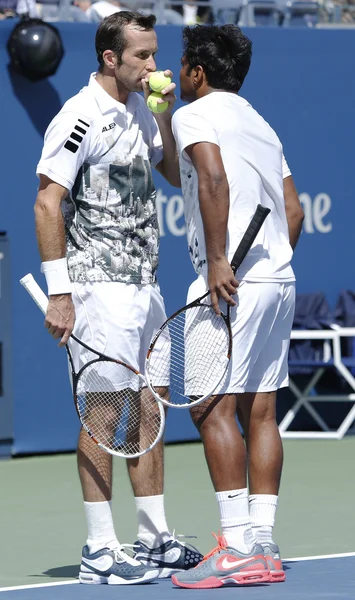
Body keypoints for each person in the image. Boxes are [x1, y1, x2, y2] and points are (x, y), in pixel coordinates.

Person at [34, 11, 202, 586]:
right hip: (95, 288)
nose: (155, 66)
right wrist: (61, 293)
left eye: (155, 55)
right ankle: (99, 548)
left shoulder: (143, 110)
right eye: (143, 57)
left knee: (149, 411)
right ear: (111, 58)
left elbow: (175, 175)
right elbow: (47, 203)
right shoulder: (78, 117)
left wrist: (166, 113)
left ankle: (154, 538)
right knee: (103, 414)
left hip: (144, 284)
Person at [170, 24, 304, 589]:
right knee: (261, 411)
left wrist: (221, 260)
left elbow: (212, 177)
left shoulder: (193, 114)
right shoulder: (261, 124)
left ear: (197, 73)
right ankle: (263, 545)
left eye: (181, 65)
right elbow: (293, 212)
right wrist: (264, 263)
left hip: (228, 281)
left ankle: (233, 546)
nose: (175, 74)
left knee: (210, 407)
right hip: (277, 280)